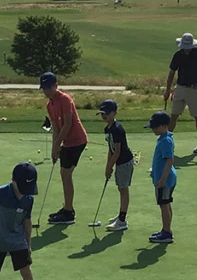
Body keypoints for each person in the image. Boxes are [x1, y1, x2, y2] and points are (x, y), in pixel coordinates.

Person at [39, 72, 88, 225]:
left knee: (66, 174)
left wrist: (57, 145)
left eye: (49, 88)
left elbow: (67, 125)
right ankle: (68, 209)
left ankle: (68, 212)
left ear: (56, 85)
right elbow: (55, 128)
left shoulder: (65, 99)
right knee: (64, 174)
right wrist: (55, 148)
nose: (47, 91)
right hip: (67, 142)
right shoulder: (50, 105)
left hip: (77, 140)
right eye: (44, 88)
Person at [163, 33, 197, 155]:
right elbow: (171, 73)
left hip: (194, 88)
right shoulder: (178, 55)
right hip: (180, 88)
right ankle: (167, 142)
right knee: (174, 116)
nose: (185, 49)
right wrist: (167, 90)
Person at [97, 99, 134, 231]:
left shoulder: (117, 129)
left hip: (124, 161)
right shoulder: (107, 129)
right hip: (118, 162)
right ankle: (120, 216)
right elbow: (110, 149)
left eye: (106, 113)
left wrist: (109, 167)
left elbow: (117, 151)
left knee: (123, 190)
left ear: (114, 113)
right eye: (102, 113)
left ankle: (122, 221)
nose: (104, 116)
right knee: (121, 189)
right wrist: (108, 165)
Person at [145, 111, 177, 243]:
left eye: (155, 127)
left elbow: (170, 160)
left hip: (166, 180)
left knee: (164, 205)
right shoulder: (164, 138)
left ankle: (166, 233)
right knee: (166, 204)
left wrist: (163, 178)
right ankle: (166, 229)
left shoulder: (166, 141)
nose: (153, 129)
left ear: (164, 126)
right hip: (164, 178)